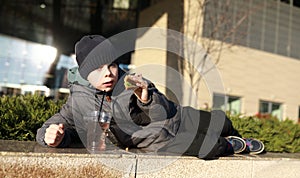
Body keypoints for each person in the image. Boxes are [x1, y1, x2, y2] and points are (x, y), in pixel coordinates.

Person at [36, 35, 264, 158]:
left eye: (112, 65)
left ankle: (234, 136)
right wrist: (51, 137)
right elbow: (51, 129)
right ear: (86, 74)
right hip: (161, 141)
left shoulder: (129, 80)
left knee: (221, 121)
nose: (108, 73)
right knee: (211, 145)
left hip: (177, 116)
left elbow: (163, 111)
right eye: (98, 69)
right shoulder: (79, 102)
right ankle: (231, 146)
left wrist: (146, 96)